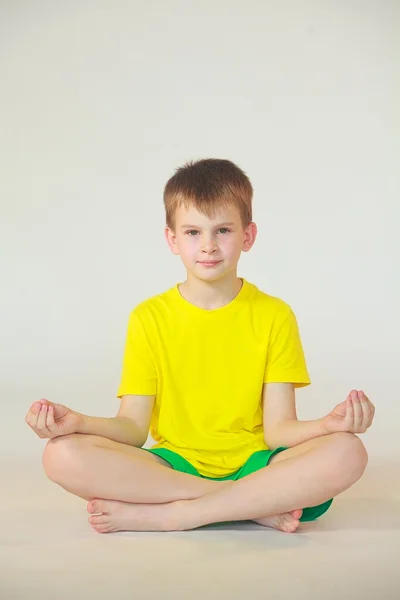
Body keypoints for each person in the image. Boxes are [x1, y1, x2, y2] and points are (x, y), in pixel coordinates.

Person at [25, 158, 375, 534]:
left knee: (346, 450)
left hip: (256, 462)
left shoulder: (275, 315)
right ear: (172, 239)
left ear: (248, 235)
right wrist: (78, 422)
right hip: (173, 466)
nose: (208, 246)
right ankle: (249, 503)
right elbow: (132, 428)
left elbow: (278, 432)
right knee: (61, 454)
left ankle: (178, 514)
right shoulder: (149, 317)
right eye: (193, 232)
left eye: (222, 230)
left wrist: (328, 425)